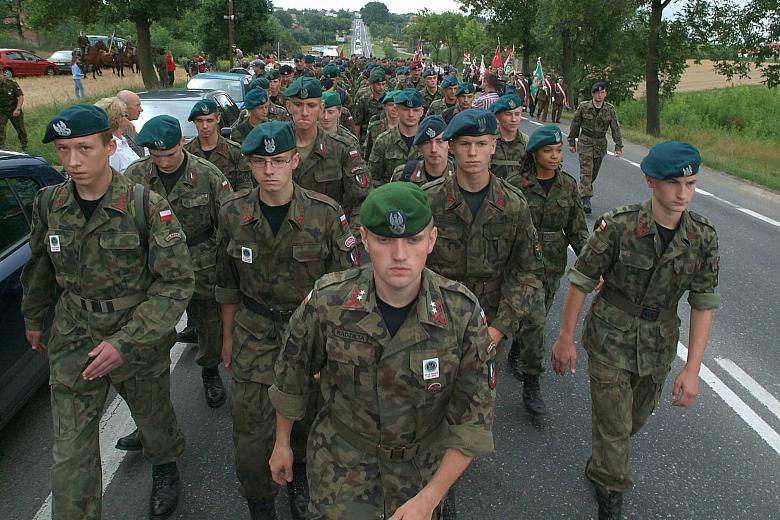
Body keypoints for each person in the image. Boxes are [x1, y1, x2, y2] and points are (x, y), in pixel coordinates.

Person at [268, 181, 497, 519]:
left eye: (413, 240)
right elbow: (292, 377)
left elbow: (473, 419)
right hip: (341, 471)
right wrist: (282, 443)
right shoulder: (329, 302)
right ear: (364, 239)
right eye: (385, 240)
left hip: (421, 473)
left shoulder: (461, 313)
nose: (400, 255)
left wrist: (430, 497)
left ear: (432, 239)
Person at [21, 104, 194, 520]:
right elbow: (40, 266)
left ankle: (165, 464)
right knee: (70, 451)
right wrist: (33, 317)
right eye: (63, 150)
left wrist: (126, 343)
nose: (73, 161)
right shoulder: (49, 204)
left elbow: (175, 283)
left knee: (152, 419)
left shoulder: (144, 206)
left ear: (110, 146)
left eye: (84, 148)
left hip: (136, 334)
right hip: (75, 334)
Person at [551, 141, 720, 520]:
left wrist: (692, 368)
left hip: (658, 344)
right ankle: (611, 494)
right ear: (650, 181)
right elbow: (581, 279)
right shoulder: (620, 226)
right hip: (610, 335)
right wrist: (565, 338)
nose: (682, 193)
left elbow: (703, 302)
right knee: (613, 425)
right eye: (673, 183)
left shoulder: (702, 237)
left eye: (691, 184)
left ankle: (604, 460)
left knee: (632, 420)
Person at [217, 120, 357, 520]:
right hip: (254, 332)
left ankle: (301, 480)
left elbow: (345, 290)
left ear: (295, 161)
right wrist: (226, 337)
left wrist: (334, 348)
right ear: (249, 165)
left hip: (309, 333)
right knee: (251, 431)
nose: (269, 171)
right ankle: (260, 501)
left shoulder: (325, 214)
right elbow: (226, 282)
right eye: (260, 162)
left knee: (309, 418)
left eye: (278, 161)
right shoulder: (232, 212)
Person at [125, 115, 233, 412]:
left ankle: (209, 370)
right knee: (151, 329)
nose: (163, 162)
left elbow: (228, 224)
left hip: (201, 264)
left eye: (170, 154)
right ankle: (151, 398)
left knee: (209, 325)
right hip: (155, 269)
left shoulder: (207, 175)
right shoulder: (135, 175)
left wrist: (228, 270)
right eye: (156, 155)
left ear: (183, 143)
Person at [423, 109, 545, 368]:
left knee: (480, 389)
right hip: (436, 317)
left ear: (493, 146)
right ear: (451, 147)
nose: (472, 152)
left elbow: (527, 272)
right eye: (464, 144)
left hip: (489, 318)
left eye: (481, 144)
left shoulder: (513, 204)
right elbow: (412, 263)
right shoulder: (429, 201)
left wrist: (498, 329)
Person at [505, 125, 589, 415]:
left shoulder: (567, 186)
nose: (554, 156)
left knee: (534, 319)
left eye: (558, 151)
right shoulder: (516, 184)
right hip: (522, 263)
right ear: (534, 154)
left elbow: (578, 230)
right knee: (536, 321)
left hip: (552, 265)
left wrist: (592, 264)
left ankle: (518, 350)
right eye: (548, 151)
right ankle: (532, 385)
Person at [286, 76, 371, 239]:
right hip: (285, 240)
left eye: (311, 105)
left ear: (320, 108)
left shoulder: (342, 149)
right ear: (289, 106)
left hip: (329, 240)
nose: (304, 112)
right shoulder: (276, 148)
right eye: (298, 105)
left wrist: (348, 239)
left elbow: (362, 201)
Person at [568, 81, 623, 214]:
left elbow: (615, 128)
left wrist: (618, 146)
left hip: (600, 144)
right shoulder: (584, 107)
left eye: (602, 92)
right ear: (592, 94)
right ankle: (586, 199)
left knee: (593, 172)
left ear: (605, 94)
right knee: (586, 171)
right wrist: (571, 141)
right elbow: (575, 124)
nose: (599, 95)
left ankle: (581, 191)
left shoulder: (609, 109)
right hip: (585, 142)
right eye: (597, 92)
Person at [184, 99, 253, 191]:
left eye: (209, 121)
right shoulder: (186, 153)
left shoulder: (234, 152)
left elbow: (245, 189)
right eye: (200, 121)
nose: (204, 126)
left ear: (218, 119)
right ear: (194, 122)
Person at [368, 88, 424, 187]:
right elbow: (373, 178)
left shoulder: (429, 141)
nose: (411, 114)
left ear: (422, 112)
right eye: (406, 109)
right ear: (397, 110)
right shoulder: (383, 141)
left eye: (416, 110)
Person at [390, 115, 454, 184]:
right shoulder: (402, 175)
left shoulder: (460, 174)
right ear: (420, 147)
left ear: (449, 144)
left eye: (440, 141)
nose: (434, 149)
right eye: (427, 142)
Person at [94, 96, 139, 173]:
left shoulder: (122, 140)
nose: (128, 119)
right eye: (125, 115)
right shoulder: (112, 150)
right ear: (118, 120)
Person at [489, 94, 529, 180]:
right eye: (508, 114)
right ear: (498, 116)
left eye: (517, 114)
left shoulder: (527, 142)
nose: (513, 119)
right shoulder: (489, 141)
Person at [362, 89, 399, 161]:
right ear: (385, 106)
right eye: (391, 105)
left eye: (398, 105)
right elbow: (367, 154)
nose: (394, 108)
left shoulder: (408, 128)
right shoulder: (375, 128)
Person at [353, 67, 387, 141]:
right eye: (378, 84)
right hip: (366, 138)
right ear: (371, 84)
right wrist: (356, 142)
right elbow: (357, 124)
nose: (381, 87)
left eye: (383, 84)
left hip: (384, 138)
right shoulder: (363, 99)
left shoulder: (388, 99)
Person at [0, 74, 27, 150]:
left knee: (20, 129)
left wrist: (18, 109)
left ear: (1, 74)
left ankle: (24, 146)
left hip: (14, 109)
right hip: (2, 111)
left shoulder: (11, 83)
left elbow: (20, 96)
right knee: (1, 129)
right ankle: (1, 149)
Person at [117, 89, 145, 157]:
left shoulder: (130, 127)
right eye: (137, 105)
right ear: (124, 107)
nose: (141, 110)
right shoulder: (118, 133)